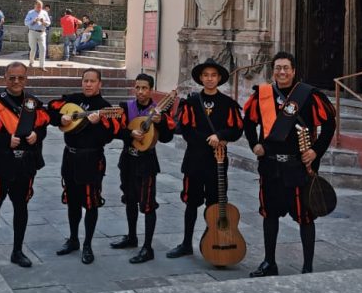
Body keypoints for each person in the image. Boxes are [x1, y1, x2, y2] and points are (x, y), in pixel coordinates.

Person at [243, 51, 336, 277]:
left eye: (286, 68)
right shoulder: (262, 95)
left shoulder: (309, 95)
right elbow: (248, 121)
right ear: (272, 71)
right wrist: (254, 144)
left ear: (294, 71)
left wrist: (315, 151)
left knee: (305, 216)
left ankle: (307, 266)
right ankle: (269, 263)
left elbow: (329, 124)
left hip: (298, 167)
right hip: (271, 166)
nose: (282, 72)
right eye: (278, 68)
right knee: (269, 215)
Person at [167, 58, 243, 259]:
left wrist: (221, 136)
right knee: (191, 203)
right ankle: (186, 243)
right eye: (206, 75)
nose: (210, 79)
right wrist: (210, 140)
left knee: (216, 204)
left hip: (217, 162)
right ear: (201, 78)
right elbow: (186, 130)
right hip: (194, 160)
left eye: (214, 75)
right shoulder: (191, 102)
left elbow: (236, 129)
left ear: (219, 78)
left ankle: (213, 240)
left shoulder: (228, 104)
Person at [47, 69, 125, 264]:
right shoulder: (72, 99)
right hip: (70, 158)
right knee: (72, 201)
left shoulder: (105, 107)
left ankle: (88, 244)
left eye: (92, 81)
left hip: (91, 159)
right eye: (85, 81)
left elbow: (109, 137)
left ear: (100, 84)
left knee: (91, 203)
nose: (88, 84)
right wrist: (60, 118)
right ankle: (73, 239)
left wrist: (98, 124)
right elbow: (50, 110)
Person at [0, 61, 50, 271]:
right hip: (0, 164)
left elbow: (43, 126)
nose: (16, 81)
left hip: (24, 165)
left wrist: (37, 135)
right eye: (12, 78)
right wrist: (4, 141)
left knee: (21, 207)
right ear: (5, 79)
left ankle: (17, 250)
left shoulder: (33, 103)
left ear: (26, 79)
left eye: (21, 77)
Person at [112, 73, 174, 263]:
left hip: (147, 163)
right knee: (129, 199)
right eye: (137, 87)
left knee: (147, 204)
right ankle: (132, 237)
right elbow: (116, 131)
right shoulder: (126, 107)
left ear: (151, 90)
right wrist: (131, 134)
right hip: (128, 160)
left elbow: (167, 137)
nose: (140, 91)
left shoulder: (158, 111)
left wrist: (160, 122)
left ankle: (148, 248)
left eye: (144, 88)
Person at [24, 0, 50, 70]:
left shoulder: (44, 13)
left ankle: (42, 65)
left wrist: (43, 22)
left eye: (41, 6)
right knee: (33, 48)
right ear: (35, 5)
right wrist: (33, 21)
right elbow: (26, 22)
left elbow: (48, 23)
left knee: (43, 48)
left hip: (42, 32)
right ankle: (31, 62)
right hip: (33, 32)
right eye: (38, 6)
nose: (40, 8)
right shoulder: (30, 12)